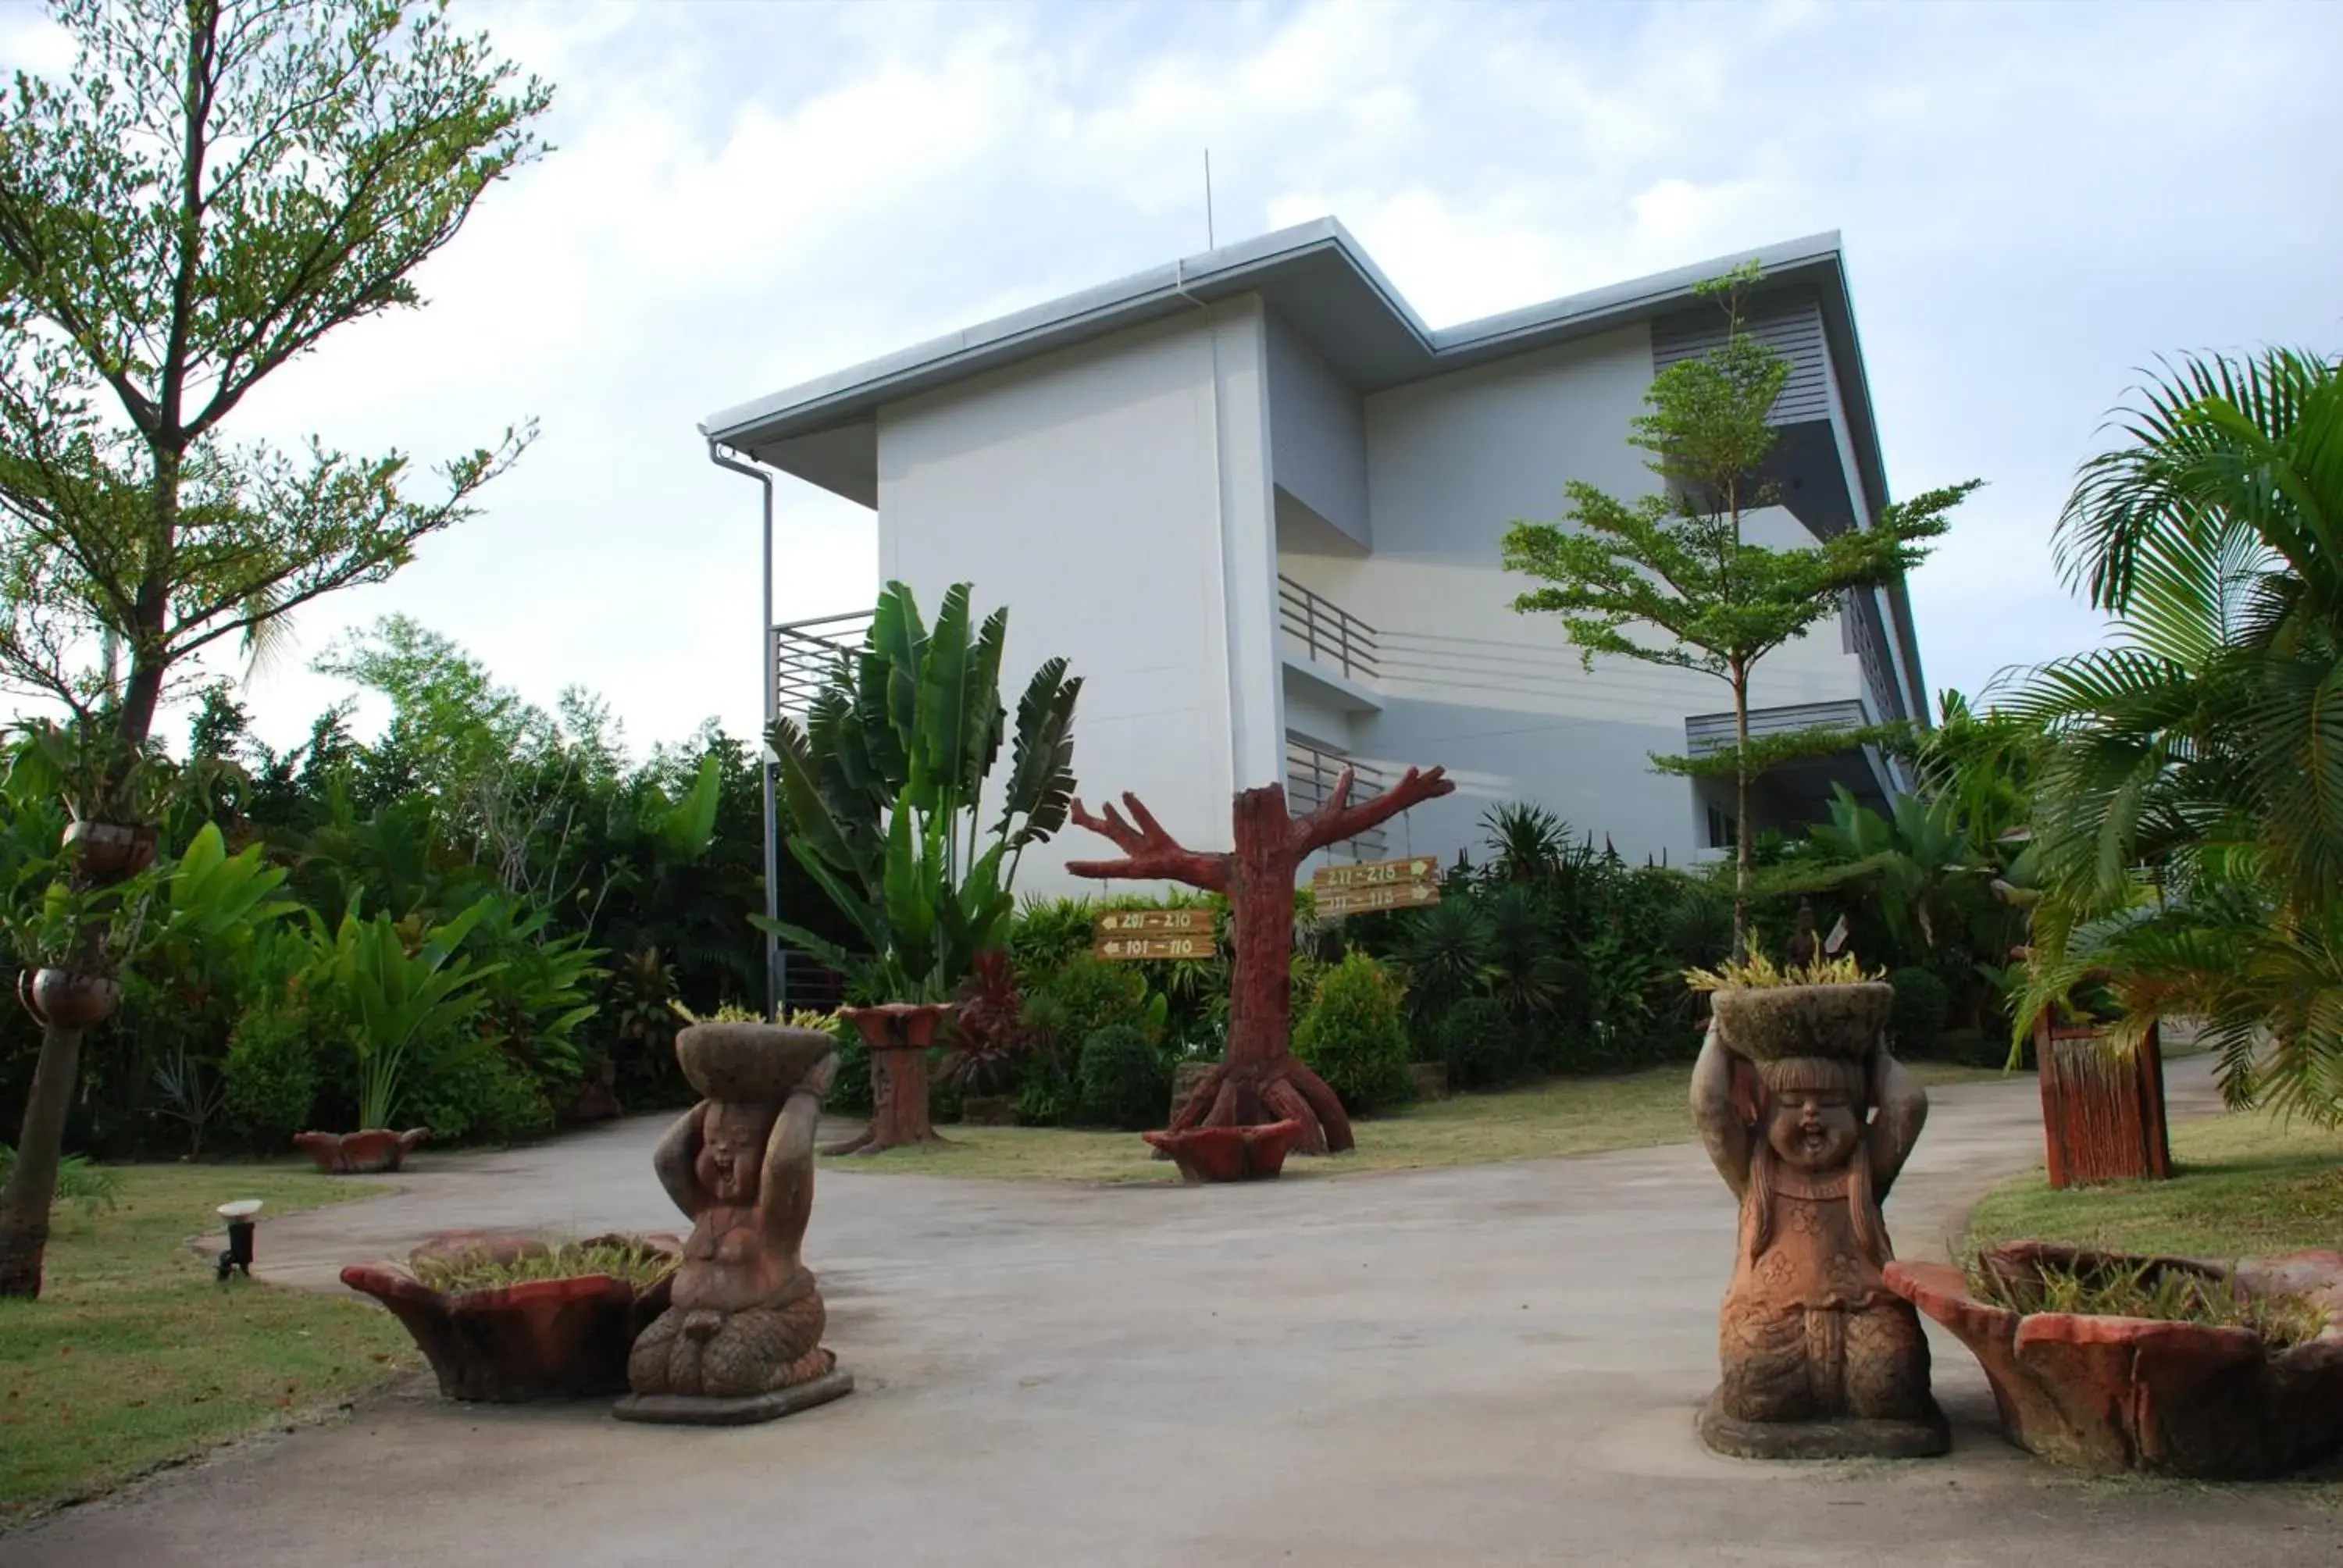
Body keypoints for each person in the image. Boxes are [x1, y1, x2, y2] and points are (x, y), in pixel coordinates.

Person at [1690, 1025, 1934, 1426]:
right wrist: (1718, 1037)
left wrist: (1879, 1055)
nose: (1810, 1113)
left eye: (1830, 1102)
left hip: (1865, 1311)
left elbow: (1908, 1106)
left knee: (1890, 1391)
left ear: (1857, 1115)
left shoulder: (1867, 1167)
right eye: (1790, 1102)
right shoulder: (1753, 1169)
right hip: (1771, 1318)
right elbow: (1709, 1107)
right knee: (1757, 1400)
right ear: (1763, 1114)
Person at [629, 1049, 839, 1399]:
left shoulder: (772, 1216)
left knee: (727, 1374)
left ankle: (811, 1363)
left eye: (740, 1144)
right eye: (712, 1143)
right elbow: (666, 1159)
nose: (722, 1153)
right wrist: (713, 1098)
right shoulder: (704, 1206)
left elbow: (785, 1162)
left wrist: (805, 1096)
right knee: (646, 1371)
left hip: (776, 1312)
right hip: (694, 1317)